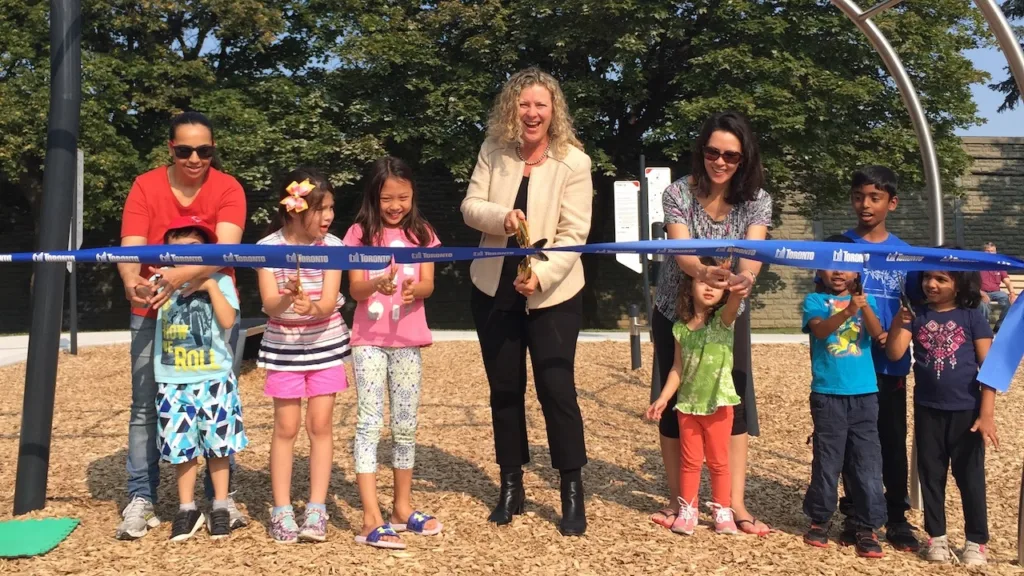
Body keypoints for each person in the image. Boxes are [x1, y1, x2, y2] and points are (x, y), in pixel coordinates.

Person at [461, 67, 594, 536]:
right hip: (493, 288)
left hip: (554, 293)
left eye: (540, 104)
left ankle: (571, 491)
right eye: (523, 104)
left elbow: (575, 233)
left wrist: (541, 275)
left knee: (557, 391)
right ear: (511, 108)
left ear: (554, 110)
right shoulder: (492, 151)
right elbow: (470, 206)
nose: (532, 113)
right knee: (504, 390)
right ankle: (510, 486)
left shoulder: (575, 162)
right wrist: (502, 217)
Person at [115, 111, 248, 540]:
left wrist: (181, 276)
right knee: (145, 407)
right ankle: (142, 496)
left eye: (204, 150)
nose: (195, 159)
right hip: (153, 308)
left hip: (214, 309)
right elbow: (130, 248)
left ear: (213, 150)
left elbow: (225, 250)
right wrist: (131, 282)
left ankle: (219, 499)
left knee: (218, 404)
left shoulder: (228, 187)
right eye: (185, 150)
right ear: (170, 148)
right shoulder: (145, 185)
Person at [649, 111, 772, 536]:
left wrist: (745, 279)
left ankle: (734, 503)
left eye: (731, 156)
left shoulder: (757, 199)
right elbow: (681, 250)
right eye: (712, 152)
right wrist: (702, 272)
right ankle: (678, 500)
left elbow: (753, 253)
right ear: (701, 151)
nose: (720, 162)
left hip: (729, 311)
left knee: (731, 400)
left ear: (744, 158)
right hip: (677, 308)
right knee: (674, 398)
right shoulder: (677, 192)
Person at [344, 157, 443, 550]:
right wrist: (376, 286)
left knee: (405, 425)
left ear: (413, 195)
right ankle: (371, 516)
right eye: (387, 198)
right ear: (374, 196)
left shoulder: (423, 233)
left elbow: (429, 284)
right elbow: (355, 289)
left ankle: (402, 507)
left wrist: (413, 290)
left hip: (408, 340)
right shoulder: (359, 234)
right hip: (368, 340)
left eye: (403, 197)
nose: (396, 205)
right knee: (369, 424)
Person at [256, 168, 350, 543]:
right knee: (286, 427)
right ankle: (281, 509)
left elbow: (327, 303)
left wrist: (311, 307)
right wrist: (287, 297)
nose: (328, 216)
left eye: (330, 208)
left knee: (320, 426)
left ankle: (316, 508)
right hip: (283, 349)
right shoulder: (267, 248)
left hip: (326, 344)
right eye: (320, 209)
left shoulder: (335, 247)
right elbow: (269, 304)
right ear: (295, 209)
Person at [832, 166, 921, 552]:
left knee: (891, 439)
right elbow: (828, 300)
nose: (865, 204)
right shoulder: (839, 246)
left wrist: (897, 335)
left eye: (874, 197)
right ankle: (855, 513)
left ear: (892, 202)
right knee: (852, 442)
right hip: (851, 362)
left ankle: (897, 515)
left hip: (890, 366)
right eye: (858, 197)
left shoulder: (906, 254)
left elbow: (915, 307)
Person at [886, 263, 996, 566]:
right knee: (931, 476)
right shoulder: (917, 315)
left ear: (959, 284)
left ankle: (976, 541)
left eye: (941, 279)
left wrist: (987, 414)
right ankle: (937, 537)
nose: (931, 284)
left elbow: (989, 367)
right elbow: (895, 353)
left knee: (970, 478)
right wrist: (898, 321)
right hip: (928, 410)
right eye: (927, 278)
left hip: (967, 411)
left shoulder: (972, 317)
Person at [152, 217, 248, 541]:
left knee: (219, 446)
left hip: (214, 378)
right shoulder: (163, 280)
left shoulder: (220, 280)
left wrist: (208, 285)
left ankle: (220, 504)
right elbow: (142, 296)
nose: (185, 255)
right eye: (177, 249)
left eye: (194, 247)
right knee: (182, 448)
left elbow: (228, 320)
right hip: (173, 380)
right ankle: (187, 508)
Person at [645, 256, 748, 536]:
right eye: (703, 281)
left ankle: (722, 510)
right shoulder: (680, 329)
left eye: (717, 283)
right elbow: (677, 369)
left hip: (718, 405)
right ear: (689, 287)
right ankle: (688, 510)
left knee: (718, 461)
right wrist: (663, 398)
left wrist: (735, 282)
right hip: (688, 406)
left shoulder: (723, 321)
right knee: (690, 462)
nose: (709, 287)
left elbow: (735, 301)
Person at [801, 235, 887, 558]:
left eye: (845, 264)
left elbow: (877, 334)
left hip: (865, 394)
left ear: (857, 270)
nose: (838, 271)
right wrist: (848, 310)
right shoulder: (814, 300)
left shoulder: (867, 300)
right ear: (818, 269)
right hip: (828, 394)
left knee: (867, 462)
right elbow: (821, 331)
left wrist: (862, 306)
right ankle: (820, 519)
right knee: (828, 460)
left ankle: (867, 525)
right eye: (830, 263)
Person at [979, 242, 1016, 331]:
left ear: (995, 252)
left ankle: (999, 326)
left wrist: (1012, 293)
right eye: (987, 251)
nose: (990, 253)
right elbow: (971, 283)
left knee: (1006, 299)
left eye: (992, 251)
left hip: (996, 293)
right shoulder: (978, 265)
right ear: (983, 252)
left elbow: (1007, 281)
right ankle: (984, 327)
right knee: (982, 304)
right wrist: (981, 294)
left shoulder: (998, 265)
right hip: (981, 292)